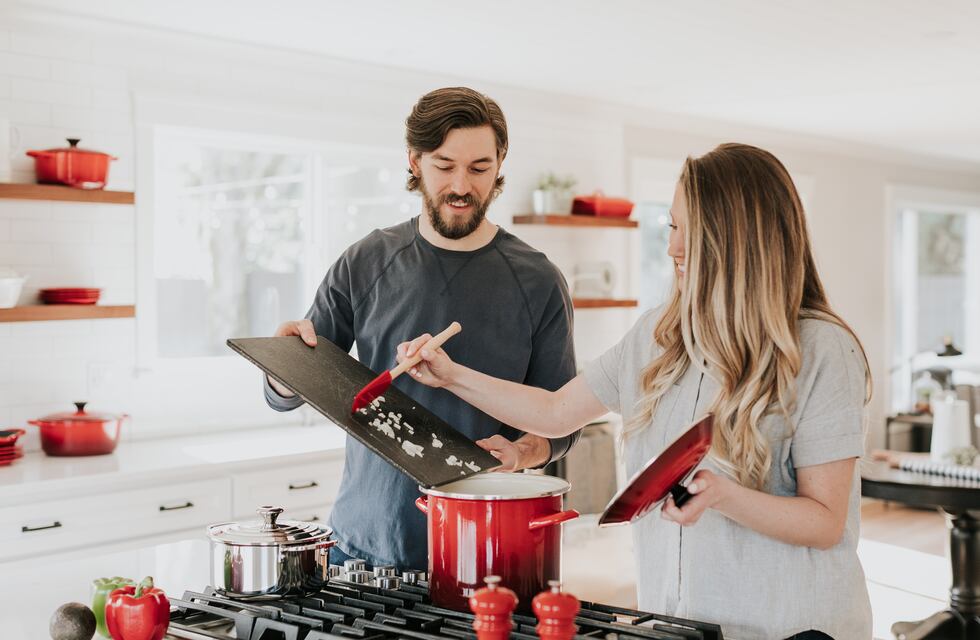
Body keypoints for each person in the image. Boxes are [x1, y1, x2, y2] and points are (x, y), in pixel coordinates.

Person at [398, 143, 873, 639]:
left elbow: (825, 522)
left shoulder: (821, 348)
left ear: (742, 240)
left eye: (692, 230)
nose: (673, 247)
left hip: (792, 629)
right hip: (676, 624)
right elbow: (557, 411)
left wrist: (723, 495)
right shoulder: (658, 335)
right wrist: (451, 375)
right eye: (671, 226)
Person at [263, 87, 579, 571]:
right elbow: (293, 387)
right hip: (362, 547)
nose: (461, 185)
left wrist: (521, 451)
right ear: (414, 160)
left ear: (499, 165)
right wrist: (281, 368)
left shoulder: (538, 281)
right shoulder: (365, 261)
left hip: (485, 550)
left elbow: (562, 423)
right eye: (444, 165)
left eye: (479, 168)